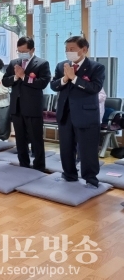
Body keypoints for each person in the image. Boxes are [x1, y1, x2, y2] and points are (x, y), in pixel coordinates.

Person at [50, 36, 105, 188]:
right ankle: (69, 174)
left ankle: (91, 178)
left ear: (84, 49)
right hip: (65, 113)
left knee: (88, 149)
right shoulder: (62, 66)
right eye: (67, 49)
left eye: (72, 49)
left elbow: (95, 88)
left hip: (86, 115)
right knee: (66, 148)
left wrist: (74, 78)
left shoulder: (96, 67)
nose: (69, 52)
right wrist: (65, 79)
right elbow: (54, 86)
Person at [3, 37, 52, 171]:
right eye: (19, 51)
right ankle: (23, 164)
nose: (21, 54)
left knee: (36, 138)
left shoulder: (42, 63)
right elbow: (5, 81)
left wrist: (24, 77)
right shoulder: (14, 62)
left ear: (32, 50)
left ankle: (39, 165)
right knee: (20, 138)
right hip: (17, 106)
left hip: (32, 106)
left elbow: (42, 83)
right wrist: (15, 77)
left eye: (24, 51)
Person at [0, 59, 11, 141]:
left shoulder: (3, 76)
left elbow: (6, 90)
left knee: (3, 122)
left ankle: (3, 138)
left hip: (3, 102)